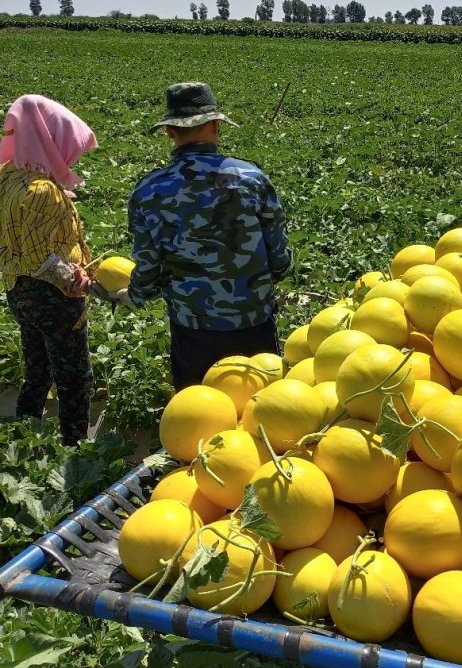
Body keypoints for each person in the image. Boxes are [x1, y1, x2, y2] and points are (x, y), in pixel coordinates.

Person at [98, 82, 292, 390]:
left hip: (193, 326)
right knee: (263, 410)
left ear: (169, 133)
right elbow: (280, 255)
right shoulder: (252, 178)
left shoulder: (148, 190)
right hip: (253, 318)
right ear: (216, 126)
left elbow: (148, 266)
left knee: (197, 411)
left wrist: (134, 295)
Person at [0, 95, 96, 445]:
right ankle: (75, 446)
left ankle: (23, 437)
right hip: (51, 296)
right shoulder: (43, 191)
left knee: (38, 368)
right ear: (52, 141)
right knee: (74, 376)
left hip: (18, 290)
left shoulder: (8, 175)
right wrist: (77, 280)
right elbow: (43, 259)